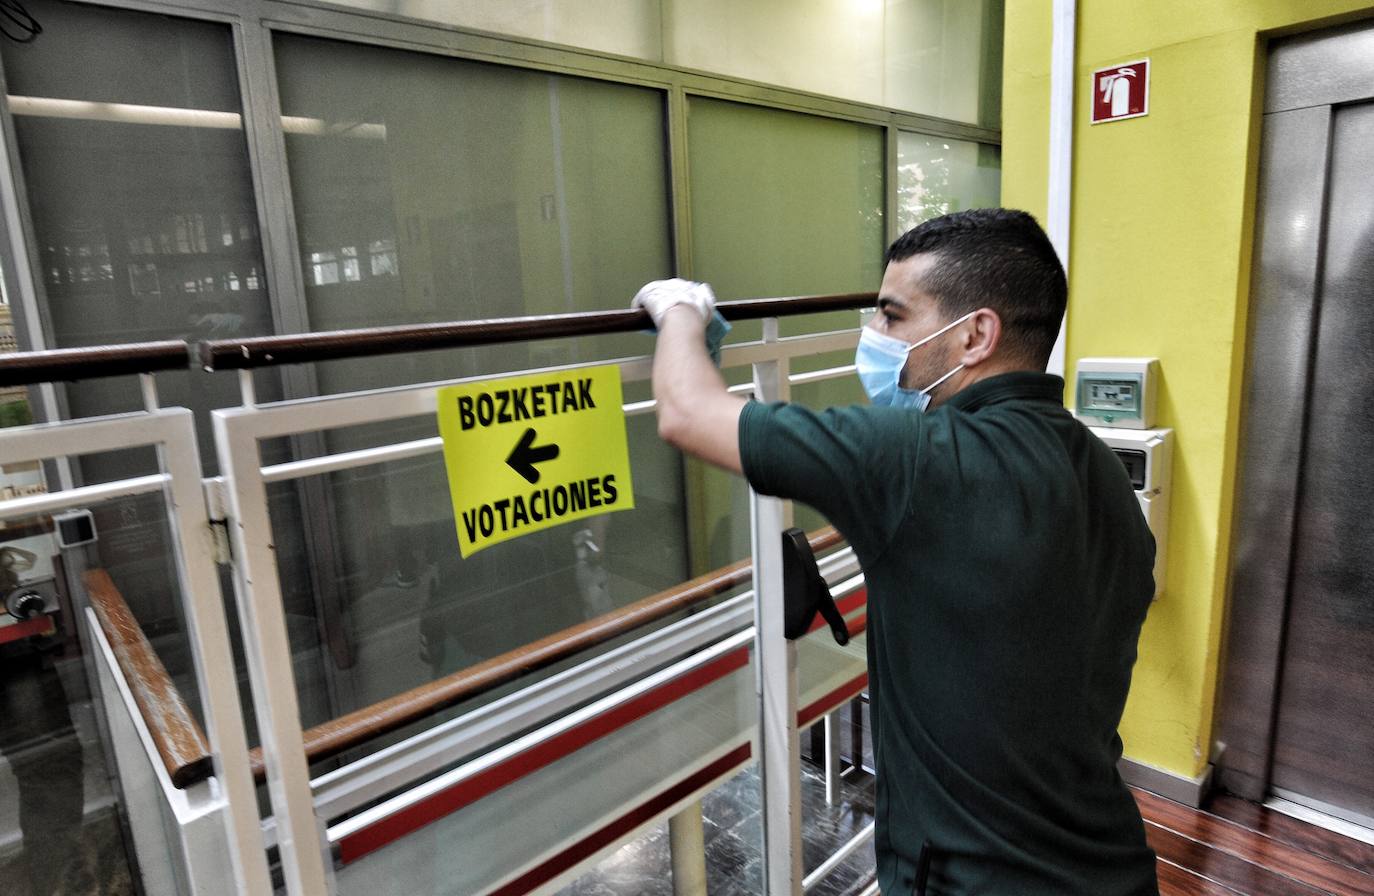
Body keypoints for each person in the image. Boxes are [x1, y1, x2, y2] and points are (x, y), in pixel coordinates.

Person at [632, 208, 1159, 895]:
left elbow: (687, 411)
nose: (872, 337)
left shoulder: (920, 460)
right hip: (1107, 863)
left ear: (976, 334)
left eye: (891, 315)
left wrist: (679, 311)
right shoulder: (1102, 472)